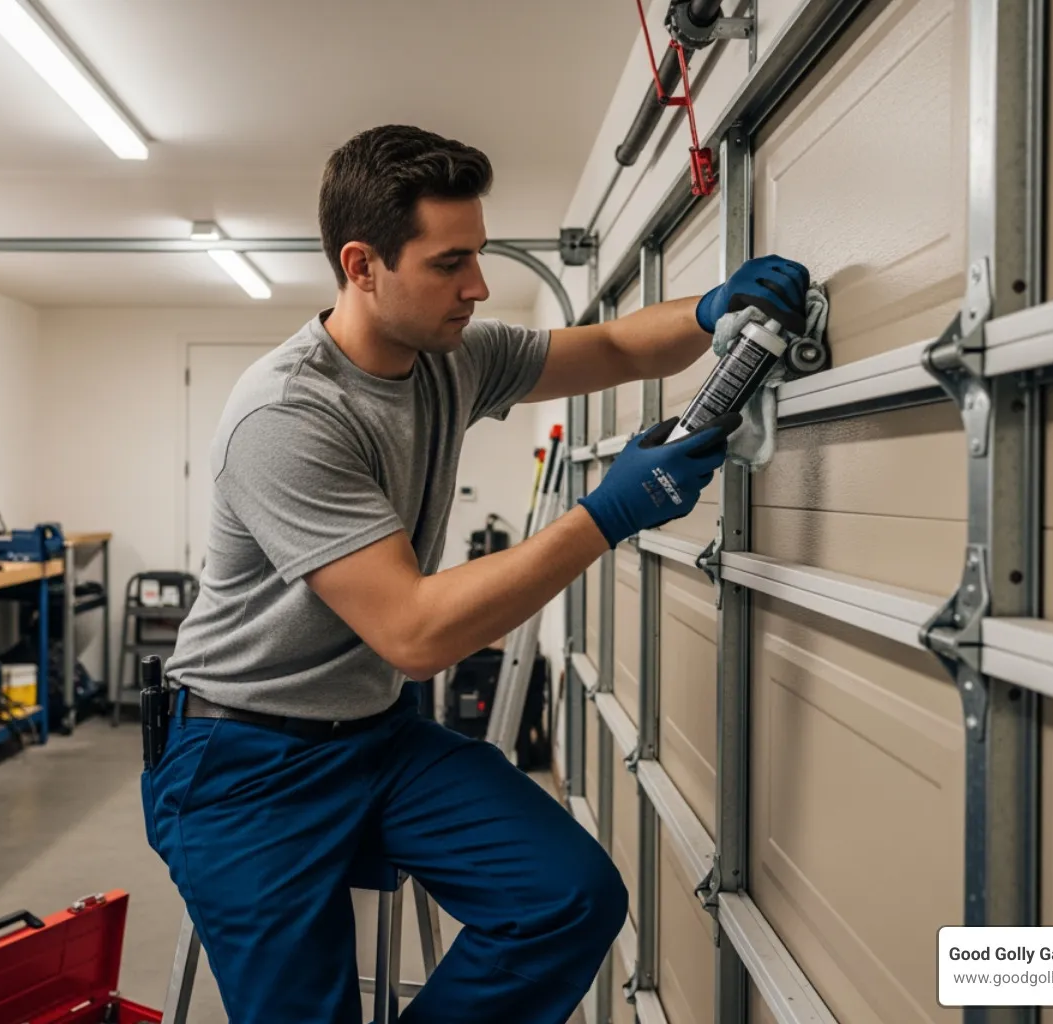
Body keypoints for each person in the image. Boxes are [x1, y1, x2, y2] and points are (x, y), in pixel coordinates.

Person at [143, 124, 810, 1024]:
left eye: (480, 255)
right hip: (242, 759)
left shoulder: (452, 359)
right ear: (362, 264)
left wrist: (710, 311)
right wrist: (610, 511)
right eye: (450, 261)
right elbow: (415, 633)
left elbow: (611, 347)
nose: (479, 285)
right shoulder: (288, 413)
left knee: (569, 898)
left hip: (374, 736)